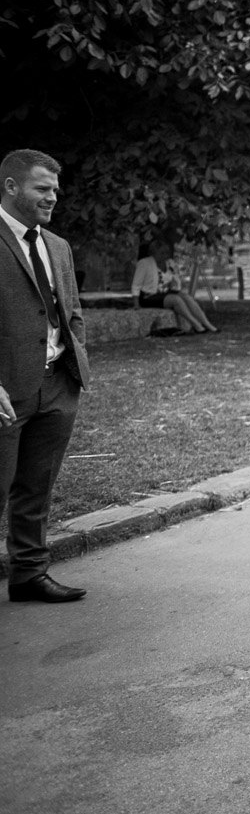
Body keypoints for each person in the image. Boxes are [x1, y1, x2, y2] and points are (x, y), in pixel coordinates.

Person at [0, 149, 91, 604]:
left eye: (55, 189)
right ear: (12, 186)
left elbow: (71, 311)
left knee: (37, 486)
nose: (52, 197)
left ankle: (28, 575)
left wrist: (75, 363)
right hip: (5, 390)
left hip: (57, 386)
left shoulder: (58, 246)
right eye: (42, 188)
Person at [130, 241, 217, 334]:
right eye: (161, 253)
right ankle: (196, 325)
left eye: (166, 253)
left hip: (166, 292)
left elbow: (176, 280)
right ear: (153, 253)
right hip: (148, 296)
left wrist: (175, 281)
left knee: (187, 297)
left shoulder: (170, 263)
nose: (165, 256)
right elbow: (136, 285)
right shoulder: (144, 263)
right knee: (175, 300)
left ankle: (207, 324)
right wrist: (136, 304)